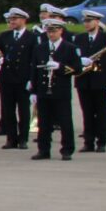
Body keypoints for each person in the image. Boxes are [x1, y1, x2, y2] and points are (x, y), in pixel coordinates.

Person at [30, 17, 82, 161]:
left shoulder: (70, 48)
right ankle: (43, 150)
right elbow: (34, 70)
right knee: (44, 122)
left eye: (54, 31)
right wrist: (33, 90)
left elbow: (77, 69)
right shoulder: (40, 48)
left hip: (61, 91)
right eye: (49, 31)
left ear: (61, 31)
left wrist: (60, 67)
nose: (51, 34)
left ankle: (67, 150)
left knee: (65, 122)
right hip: (43, 90)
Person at [73, 10, 106, 153]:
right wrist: (80, 61)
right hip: (83, 80)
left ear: (97, 22)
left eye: (89, 21)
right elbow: (73, 57)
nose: (86, 24)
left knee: (102, 112)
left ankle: (102, 141)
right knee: (87, 112)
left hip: (100, 80)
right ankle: (88, 142)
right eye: (85, 21)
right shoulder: (79, 38)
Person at [0, 8, 36, 149]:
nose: (12, 21)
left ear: (24, 20)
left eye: (15, 19)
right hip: (6, 78)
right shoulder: (4, 36)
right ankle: (11, 139)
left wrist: (32, 79)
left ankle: (23, 138)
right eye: (10, 19)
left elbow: (34, 60)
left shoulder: (32, 37)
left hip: (23, 78)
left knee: (23, 110)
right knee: (8, 110)